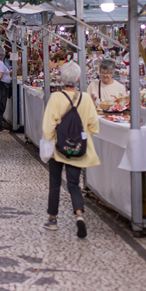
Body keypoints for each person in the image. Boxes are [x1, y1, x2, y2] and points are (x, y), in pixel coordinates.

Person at [41, 62, 100, 238]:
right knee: (74, 184)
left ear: (60, 79)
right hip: (78, 149)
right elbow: (94, 126)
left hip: (58, 148)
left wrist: (52, 138)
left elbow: (47, 128)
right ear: (78, 79)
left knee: (55, 183)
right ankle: (79, 215)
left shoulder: (56, 98)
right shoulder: (86, 99)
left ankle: (52, 219)